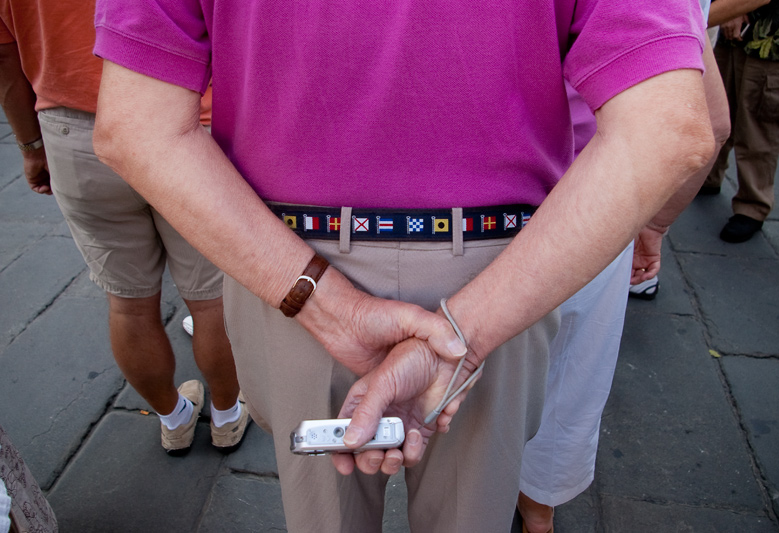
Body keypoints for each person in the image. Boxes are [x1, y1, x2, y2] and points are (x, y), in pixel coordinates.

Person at [91, 1, 715, 530]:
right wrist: (461, 339)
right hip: (503, 273)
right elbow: (672, 130)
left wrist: (329, 307)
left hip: (283, 266)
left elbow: (135, 127)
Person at [0, 0, 249, 456]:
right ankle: (228, 416)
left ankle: (174, 419)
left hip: (74, 131)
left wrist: (31, 146)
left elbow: (4, 55)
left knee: (129, 304)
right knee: (214, 298)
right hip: (187, 121)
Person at [516, 19, 732, 530]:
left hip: (472, 209)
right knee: (571, 372)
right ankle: (538, 513)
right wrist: (653, 222)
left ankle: (470, 495)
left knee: (470, 374)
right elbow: (711, 122)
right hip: (595, 208)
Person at [703, 0, 779, 242]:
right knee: (718, 108)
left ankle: (753, 205)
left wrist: (732, 10)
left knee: (760, 125)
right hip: (735, 32)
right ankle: (709, 175)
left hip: (776, 40)